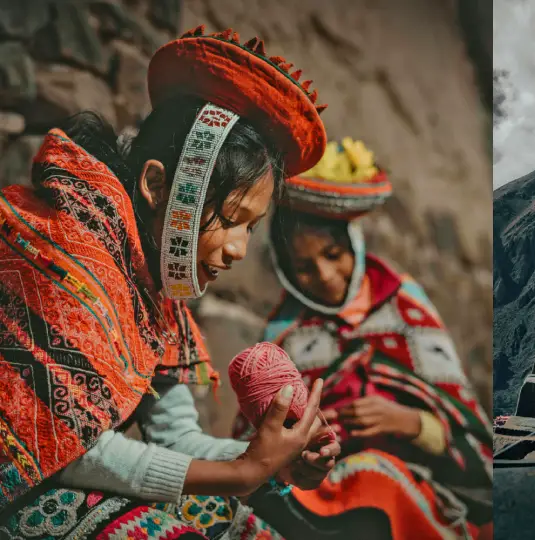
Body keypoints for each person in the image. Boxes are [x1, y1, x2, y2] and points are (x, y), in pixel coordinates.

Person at [0, 26, 340, 538]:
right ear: (157, 184)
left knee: (245, 528)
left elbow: (175, 438)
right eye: (229, 218)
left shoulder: (158, 297)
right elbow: (66, 449)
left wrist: (274, 463)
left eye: (251, 227)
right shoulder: (65, 249)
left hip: (59, 485)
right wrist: (240, 472)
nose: (238, 249)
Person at [233, 139, 494, 539]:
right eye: (303, 266)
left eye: (333, 254)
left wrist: (412, 423)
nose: (323, 275)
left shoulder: (407, 310)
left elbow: (471, 436)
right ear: (283, 270)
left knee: (375, 480)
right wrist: (308, 442)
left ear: (353, 246)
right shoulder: (283, 334)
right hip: (316, 492)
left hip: (421, 485)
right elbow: (256, 444)